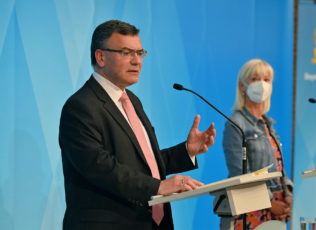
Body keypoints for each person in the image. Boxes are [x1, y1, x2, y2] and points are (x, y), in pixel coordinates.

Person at [59, 20, 216, 230]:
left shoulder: (132, 100)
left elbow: (142, 164)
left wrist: (187, 151)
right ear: (101, 57)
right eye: (126, 53)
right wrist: (158, 186)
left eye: (140, 53)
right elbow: (100, 167)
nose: (137, 61)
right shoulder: (80, 106)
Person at [221, 59, 293, 230]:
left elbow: (279, 168)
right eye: (254, 79)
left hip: (277, 210)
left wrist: (288, 196)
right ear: (242, 85)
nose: (262, 84)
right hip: (252, 210)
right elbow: (239, 174)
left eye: (266, 80)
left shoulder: (268, 124)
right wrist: (269, 203)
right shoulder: (236, 123)